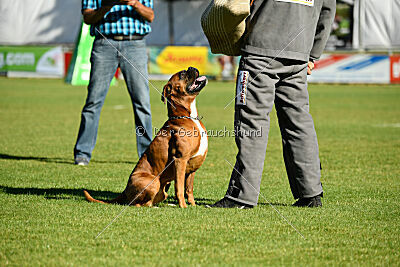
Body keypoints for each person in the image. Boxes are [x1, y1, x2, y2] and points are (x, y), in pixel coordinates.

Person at [211, 0, 336, 208]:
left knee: (251, 123)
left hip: (260, 50)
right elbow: (328, 10)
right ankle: (310, 194)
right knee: (299, 123)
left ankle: (241, 196)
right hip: (299, 53)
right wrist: (313, 54)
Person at [74, 0, 154, 166]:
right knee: (93, 101)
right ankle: (82, 153)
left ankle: (147, 154)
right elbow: (87, 18)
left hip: (135, 45)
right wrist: (108, 5)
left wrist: (133, 3)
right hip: (104, 44)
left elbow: (150, 15)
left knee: (142, 103)